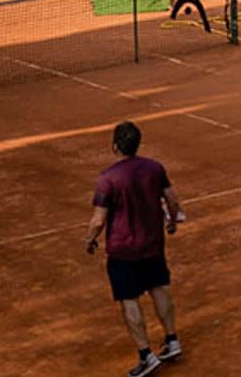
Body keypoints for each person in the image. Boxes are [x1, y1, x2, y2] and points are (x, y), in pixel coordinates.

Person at [86, 121, 183, 376]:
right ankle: (172, 340)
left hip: (123, 251)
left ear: (115, 147)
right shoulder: (154, 168)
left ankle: (145, 355)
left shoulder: (108, 179)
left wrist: (89, 239)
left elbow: (98, 220)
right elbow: (172, 200)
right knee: (158, 288)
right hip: (153, 244)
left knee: (129, 299)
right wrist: (172, 222)